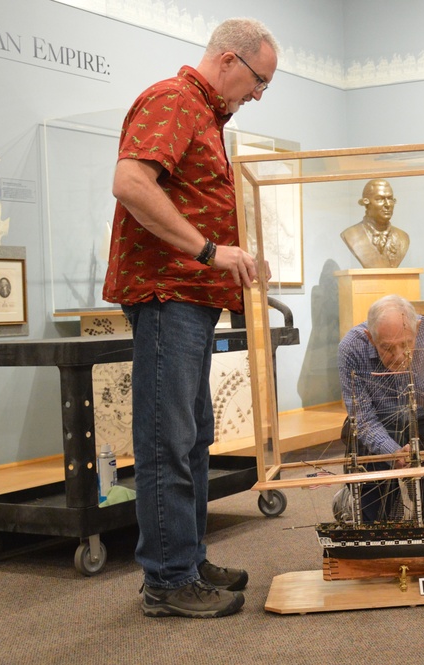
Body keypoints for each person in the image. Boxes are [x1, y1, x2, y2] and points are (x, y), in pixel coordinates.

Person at [102, 17, 279, 617]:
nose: (257, 94)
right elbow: (130, 181)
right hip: (166, 295)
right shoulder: (173, 99)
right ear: (228, 60)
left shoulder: (205, 116)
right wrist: (207, 251)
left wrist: (233, 257)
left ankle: (188, 558)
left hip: (191, 297)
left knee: (194, 437)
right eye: (258, 80)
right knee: (168, 439)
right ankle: (168, 580)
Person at [338, 294, 424, 524]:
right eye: (387, 348)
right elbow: (364, 420)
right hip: (375, 423)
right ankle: (356, 507)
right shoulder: (351, 347)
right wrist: (392, 451)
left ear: (417, 328)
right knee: (377, 513)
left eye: (406, 344)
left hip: (423, 416)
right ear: (370, 337)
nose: (399, 356)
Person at [340, 179, 410, 268]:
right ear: (366, 203)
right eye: (380, 199)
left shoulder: (403, 237)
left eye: (390, 199)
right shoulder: (351, 235)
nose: (388, 205)